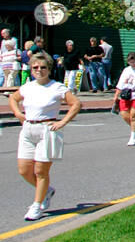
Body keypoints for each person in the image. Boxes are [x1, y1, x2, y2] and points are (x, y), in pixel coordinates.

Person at [8, 49, 81, 219]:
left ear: (49, 68)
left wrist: (62, 122)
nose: (38, 70)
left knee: (41, 171)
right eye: (35, 67)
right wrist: (19, 114)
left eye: (42, 67)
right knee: (24, 170)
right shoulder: (28, 87)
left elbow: (76, 104)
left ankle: (37, 205)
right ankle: (46, 192)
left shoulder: (56, 87)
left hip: (47, 130)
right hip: (28, 129)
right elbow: (13, 98)